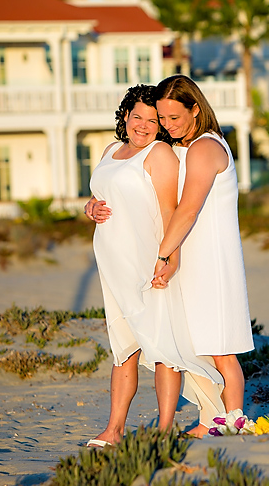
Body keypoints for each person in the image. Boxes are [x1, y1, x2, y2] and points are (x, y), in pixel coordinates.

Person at [83, 84, 224, 447]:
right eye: (137, 117)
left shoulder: (160, 153)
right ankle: (113, 430)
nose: (143, 125)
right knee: (123, 347)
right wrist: (90, 207)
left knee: (162, 347)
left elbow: (169, 210)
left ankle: (163, 429)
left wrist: (168, 259)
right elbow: (102, 195)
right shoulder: (112, 150)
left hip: (147, 262)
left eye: (152, 119)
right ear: (125, 117)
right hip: (113, 265)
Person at [151, 75, 255, 438]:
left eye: (174, 118)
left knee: (221, 346)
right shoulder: (181, 146)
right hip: (188, 254)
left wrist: (162, 255)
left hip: (211, 258)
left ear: (196, 109)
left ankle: (235, 421)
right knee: (194, 343)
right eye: (162, 118)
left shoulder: (206, 147)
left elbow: (189, 209)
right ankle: (211, 419)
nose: (168, 125)